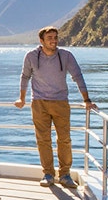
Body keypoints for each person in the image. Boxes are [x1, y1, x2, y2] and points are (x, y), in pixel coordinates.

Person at [14, 26, 97, 189]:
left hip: (61, 103)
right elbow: (25, 77)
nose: (54, 40)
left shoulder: (66, 56)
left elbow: (77, 76)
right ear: (41, 41)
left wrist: (86, 99)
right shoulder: (31, 56)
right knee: (43, 140)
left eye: (56, 37)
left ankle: (65, 174)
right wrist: (21, 98)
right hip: (39, 103)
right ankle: (48, 174)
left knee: (64, 139)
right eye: (50, 37)